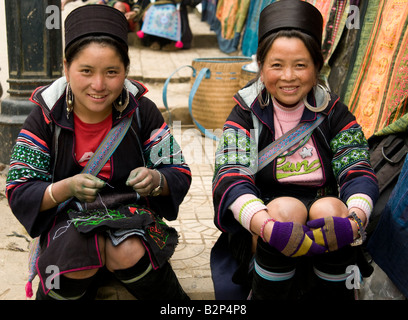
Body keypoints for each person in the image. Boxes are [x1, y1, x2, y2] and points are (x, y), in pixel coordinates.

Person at [6, 5, 191, 300]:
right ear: (66, 67)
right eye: (86, 71)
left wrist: (156, 179)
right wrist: (65, 188)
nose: (99, 85)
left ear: (125, 71)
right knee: (74, 254)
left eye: (112, 72)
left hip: (131, 215)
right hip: (68, 218)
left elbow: (178, 170)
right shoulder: (44, 116)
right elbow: (19, 188)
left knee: (126, 247)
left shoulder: (142, 112)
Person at [211, 0, 379, 300]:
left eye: (300, 65)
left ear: (317, 67)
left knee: (330, 212)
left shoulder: (334, 111)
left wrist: (354, 218)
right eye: (276, 65)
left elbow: (357, 168)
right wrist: (264, 224)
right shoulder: (244, 113)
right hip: (266, 217)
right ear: (260, 65)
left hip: (323, 214)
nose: (288, 77)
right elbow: (230, 175)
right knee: (285, 211)